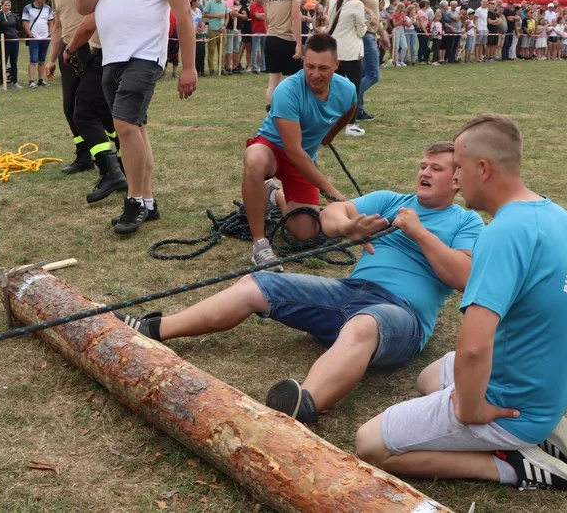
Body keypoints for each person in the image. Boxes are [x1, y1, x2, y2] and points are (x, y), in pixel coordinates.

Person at [115, 138, 484, 423]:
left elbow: (465, 277)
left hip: (401, 317)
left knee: (364, 325)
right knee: (256, 284)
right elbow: (333, 213)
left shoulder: (466, 223)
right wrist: (347, 226)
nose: (424, 172)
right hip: (348, 292)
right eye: (422, 165)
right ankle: (153, 329)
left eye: (435, 168)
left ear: (456, 179)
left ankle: (302, 405)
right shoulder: (393, 200)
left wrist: (420, 234)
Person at [356, 114, 567, 493]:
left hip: (509, 402)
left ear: (483, 169)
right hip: (548, 389)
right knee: (428, 377)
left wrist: (471, 410)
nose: (455, 178)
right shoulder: (561, 218)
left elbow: (473, 348)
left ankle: (511, 465)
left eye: (458, 167)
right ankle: (537, 425)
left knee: (369, 444)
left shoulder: (501, 234)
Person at [77, 0, 197, 234]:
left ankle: (133, 202)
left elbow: (184, 16)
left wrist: (189, 66)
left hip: (146, 56)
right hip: (111, 56)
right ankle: (147, 200)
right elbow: (83, 5)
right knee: (136, 129)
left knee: (124, 124)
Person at [239, 33, 356, 267]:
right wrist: (330, 190)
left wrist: (329, 136)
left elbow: (349, 109)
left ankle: (273, 194)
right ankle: (260, 244)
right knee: (254, 160)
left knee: (306, 234)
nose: (315, 74)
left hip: (303, 161)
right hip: (273, 150)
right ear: (302, 61)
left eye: (323, 68)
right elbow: (292, 151)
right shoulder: (287, 90)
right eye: (309, 66)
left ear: (336, 65)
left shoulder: (347, 89)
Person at [43, 0, 124, 193]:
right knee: (70, 107)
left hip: (90, 50)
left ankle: (121, 156)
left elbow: (99, 15)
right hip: (68, 54)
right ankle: (83, 155)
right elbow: (57, 26)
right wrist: (51, 58)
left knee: (96, 108)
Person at [327, 0, 366, 137]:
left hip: (336, 51)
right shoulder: (356, 4)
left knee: (334, 88)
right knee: (354, 88)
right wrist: (367, 25)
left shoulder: (332, 2)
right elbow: (361, 30)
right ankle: (351, 123)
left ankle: (332, 120)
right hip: (351, 51)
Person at [263, 0, 304, 106]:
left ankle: (271, 115)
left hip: (270, 38)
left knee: (273, 81)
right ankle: (291, 112)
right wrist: (299, 43)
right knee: (294, 81)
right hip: (286, 39)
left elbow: (266, 20)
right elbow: (295, 17)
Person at [355, 0, 388, 121]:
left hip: (370, 35)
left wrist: (382, 34)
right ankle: (351, 101)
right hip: (365, 35)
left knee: (362, 74)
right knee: (373, 75)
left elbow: (376, 17)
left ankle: (358, 110)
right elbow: (351, 7)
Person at [22, 0, 54, 88]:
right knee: (33, 59)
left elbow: (51, 22)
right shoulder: (27, 8)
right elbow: (25, 22)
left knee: (42, 60)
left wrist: (50, 33)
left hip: (45, 37)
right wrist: (30, 34)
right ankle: (31, 81)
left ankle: (41, 79)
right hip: (34, 38)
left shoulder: (48, 8)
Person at [0, 0, 21, 88]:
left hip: (14, 41)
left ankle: (15, 82)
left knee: (14, 61)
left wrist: (16, 34)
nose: (7, 7)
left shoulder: (14, 16)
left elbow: (18, 27)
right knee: (3, 61)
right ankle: (2, 82)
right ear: (1, 5)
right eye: (5, 5)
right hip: (4, 42)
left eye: (9, 5)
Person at [202, 0, 228, 76]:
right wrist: (216, 16)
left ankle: (221, 68)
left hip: (222, 30)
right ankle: (211, 69)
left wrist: (225, 25)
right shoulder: (210, 3)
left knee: (222, 50)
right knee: (211, 50)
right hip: (212, 29)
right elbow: (204, 14)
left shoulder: (224, 4)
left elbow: (227, 16)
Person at [249, 0, 267, 73]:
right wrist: (265, 15)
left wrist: (262, 15)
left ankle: (263, 67)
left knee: (264, 51)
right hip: (256, 31)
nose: (260, 0)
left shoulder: (265, 6)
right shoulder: (253, 6)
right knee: (255, 50)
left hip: (265, 31)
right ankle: (254, 68)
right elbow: (257, 16)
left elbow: (268, 16)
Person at [190, 0, 207, 76]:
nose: (199, 3)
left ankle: (201, 70)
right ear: (193, 2)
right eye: (197, 1)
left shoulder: (199, 11)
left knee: (202, 51)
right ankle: (195, 70)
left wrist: (202, 24)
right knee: (195, 53)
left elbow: (201, 20)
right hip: (192, 33)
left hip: (200, 33)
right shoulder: (189, 12)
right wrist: (195, 30)